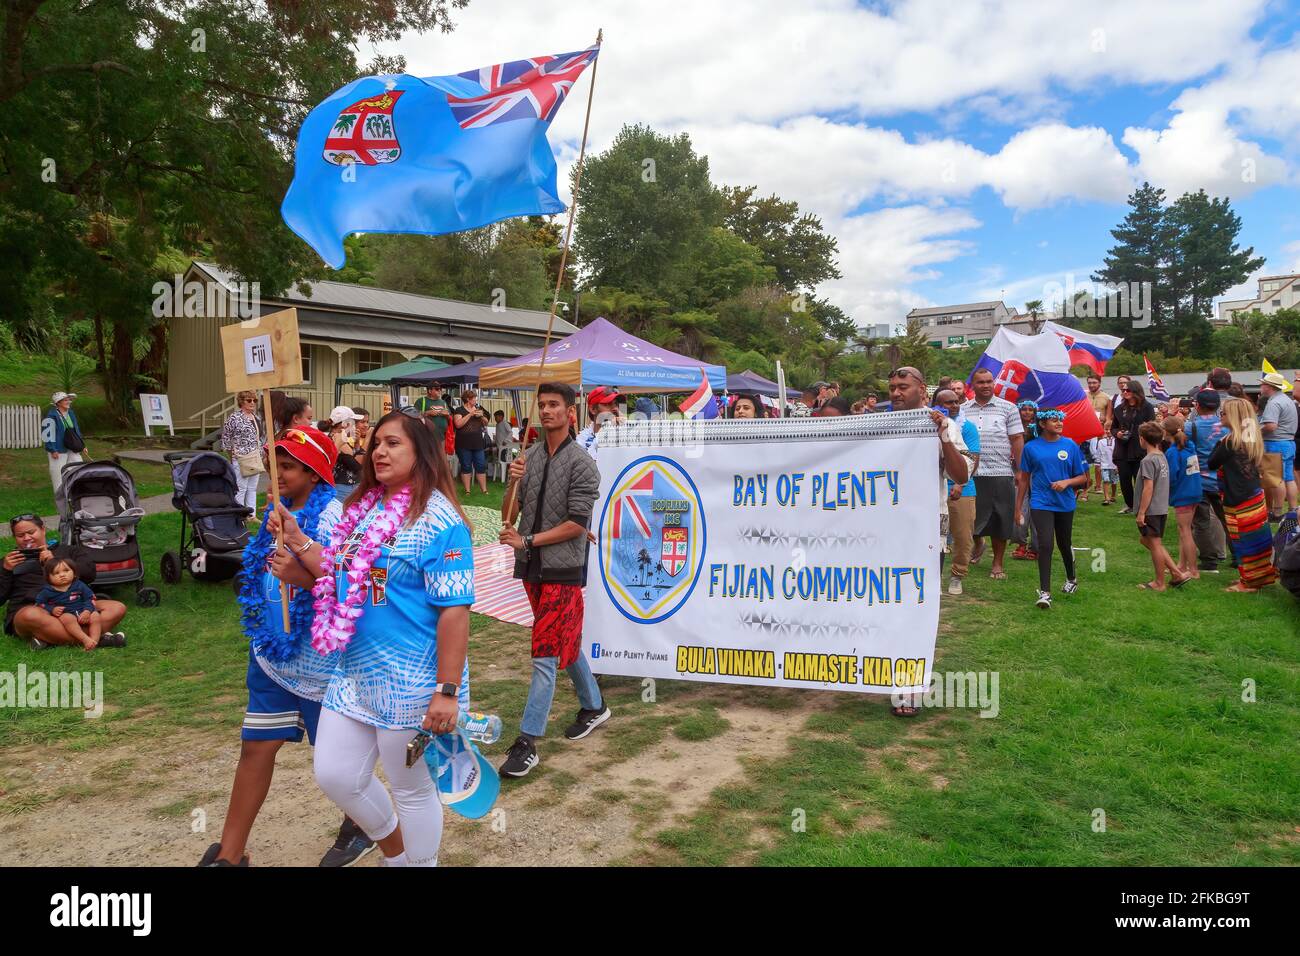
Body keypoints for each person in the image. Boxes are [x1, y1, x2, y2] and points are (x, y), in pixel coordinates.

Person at [200, 426, 371, 868]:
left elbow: (353, 586)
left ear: (315, 475)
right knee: (256, 747)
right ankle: (231, 854)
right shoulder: (272, 514)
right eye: (276, 466)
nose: (279, 476)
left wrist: (306, 578)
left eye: (290, 467)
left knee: (334, 761)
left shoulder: (335, 517)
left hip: (322, 664)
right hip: (273, 657)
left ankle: (362, 826)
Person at [310, 410, 474, 867]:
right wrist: (300, 547)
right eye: (375, 442)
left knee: (411, 788)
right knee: (336, 775)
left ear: (420, 454)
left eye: (393, 443)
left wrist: (446, 691)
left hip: (411, 680)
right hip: (353, 673)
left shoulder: (441, 521)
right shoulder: (362, 509)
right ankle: (396, 853)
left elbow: (455, 612)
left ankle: (417, 865)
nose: (378, 451)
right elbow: (342, 574)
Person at [497, 382, 609, 775]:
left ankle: (527, 742)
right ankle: (594, 704)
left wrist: (527, 539)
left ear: (570, 412)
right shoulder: (527, 458)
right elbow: (506, 514)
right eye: (541, 404)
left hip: (562, 568)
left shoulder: (582, 463)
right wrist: (512, 481)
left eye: (554, 405)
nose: (546, 411)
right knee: (562, 638)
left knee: (544, 651)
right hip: (531, 566)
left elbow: (577, 524)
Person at [887, 367, 967, 716]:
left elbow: (961, 474)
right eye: (891, 387)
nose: (895, 393)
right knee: (886, 604)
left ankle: (910, 686)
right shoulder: (877, 425)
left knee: (917, 608)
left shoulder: (943, 425)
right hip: (882, 530)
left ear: (922, 389)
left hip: (926, 531)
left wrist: (943, 437)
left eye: (903, 386)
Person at [2, 514, 127, 649]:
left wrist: (55, 562)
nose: (27, 538)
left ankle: (50, 638)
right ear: (15, 538)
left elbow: (90, 574)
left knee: (117, 607)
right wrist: (6, 571)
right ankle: (97, 639)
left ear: (43, 529)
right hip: (36, 608)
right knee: (29, 615)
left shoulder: (67, 551)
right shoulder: (9, 561)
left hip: (75, 603)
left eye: (31, 532)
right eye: (20, 536)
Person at [1015, 408, 1088, 608]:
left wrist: (1066, 482)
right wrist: (1018, 507)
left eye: (1060, 420)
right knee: (1045, 544)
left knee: (1064, 543)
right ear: (1042, 424)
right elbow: (1024, 479)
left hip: (1064, 503)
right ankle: (1045, 593)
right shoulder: (1031, 448)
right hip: (1040, 502)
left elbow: (1082, 477)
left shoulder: (1070, 445)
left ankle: (1071, 579)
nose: (1059, 423)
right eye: (1054, 421)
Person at [1207, 398, 1277, 592]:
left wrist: (1219, 442)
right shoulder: (1250, 438)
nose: (1221, 415)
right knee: (1257, 540)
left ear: (1234, 417)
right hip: (1253, 494)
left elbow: (1212, 462)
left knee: (1243, 540)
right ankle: (1256, 578)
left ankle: (1248, 583)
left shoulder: (1230, 442)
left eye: (1224, 412)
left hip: (1238, 498)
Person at [962, 369, 1025, 581]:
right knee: (970, 518)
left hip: (1000, 471)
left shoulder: (1008, 408)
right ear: (973, 385)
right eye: (981, 382)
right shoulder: (962, 410)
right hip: (970, 473)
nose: (986, 385)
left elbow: (1016, 439)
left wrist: (1020, 469)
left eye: (989, 381)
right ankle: (977, 544)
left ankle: (997, 562)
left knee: (1000, 519)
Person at [1134, 421, 1188, 591]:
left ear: (1142, 439)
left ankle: (1159, 582)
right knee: (1146, 540)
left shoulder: (1148, 461)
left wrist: (1141, 512)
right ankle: (1176, 573)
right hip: (1161, 507)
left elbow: (1148, 487)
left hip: (1151, 509)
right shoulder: (1162, 456)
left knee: (1155, 544)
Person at [935, 389, 979, 596]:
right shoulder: (928, 424)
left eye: (955, 402)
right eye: (946, 403)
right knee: (939, 537)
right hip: (938, 489)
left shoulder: (967, 427)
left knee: (962, 537)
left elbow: (972, 458)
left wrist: (959, 485)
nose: (952, 406)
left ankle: (957, 575)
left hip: (963, 488)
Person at [1186, 390, 1229, 572]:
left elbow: (1187, 450)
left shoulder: (1191, 426)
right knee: (1228, 520)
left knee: (1201, 522)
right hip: (1222, 479)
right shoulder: (1227, 426)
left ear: (1197, 406)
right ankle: (1239, 556)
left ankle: (1209, 560)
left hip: (1200, 480)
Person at [1163, 415, 1202, 580]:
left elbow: (1171, 476)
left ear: (1166, 432)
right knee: (1183, 530)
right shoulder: (1189, 446)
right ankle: (1182, 564)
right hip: (1194, 490)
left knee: (1185, 531)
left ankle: (1193, 570)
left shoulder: (1173, 452)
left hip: (1183, 494)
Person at [33, 557, 102, 650]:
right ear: (48, 577)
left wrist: (87, 611)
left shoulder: (79, 585)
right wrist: (51, 609)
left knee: (95, 616)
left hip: (83, 609)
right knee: (67, 619)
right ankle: (85, 639)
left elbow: (90, 598)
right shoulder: (47, 591)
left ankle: (94, 641)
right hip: (66, 613)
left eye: (66, 571)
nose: (62, 575)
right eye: (56, 573)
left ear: (74, 573)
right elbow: (39, 603)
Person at [1258, 371, 1298, 519]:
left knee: (1276, 479)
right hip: (1288, 442)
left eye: (1262, 384)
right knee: (1288, 478)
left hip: (1275, 444)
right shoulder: (1287, 400)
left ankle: (1277, 512)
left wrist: (1256, 433)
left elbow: (1271, 426)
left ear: (1269, 386)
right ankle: (1293, 509)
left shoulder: (1274, 402)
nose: (1260, 387)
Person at [1113, 379, 1155, 514]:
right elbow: (1113, 427)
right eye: (1123, 390)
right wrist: (1117, 433)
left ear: (1136, 391)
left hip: (1139, 447)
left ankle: (1142, 506)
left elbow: (1152, 425)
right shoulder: (1119, 409)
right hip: (1122, 448)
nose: (1125, 392)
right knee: (1124, 479)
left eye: (1128, 390)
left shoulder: (1146, 407)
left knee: (1139, 479)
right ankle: (1130, 504)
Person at [220, 390, 264, 513]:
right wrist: (231, 454)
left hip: (255, 457)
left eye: (254, 400)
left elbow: (260, 438)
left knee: (252, 488)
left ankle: (251, 514)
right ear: (241, 402)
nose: (252, 403)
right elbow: (226, 437)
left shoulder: (257, 418)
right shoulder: (234, 417)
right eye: (248, 400)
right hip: (241, 458)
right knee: (241, 487)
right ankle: (238, 514)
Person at [43, 391, 86, 511]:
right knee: (58, 474)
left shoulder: (71, 413)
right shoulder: (51, 416)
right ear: (58, 403)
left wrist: (81, 445)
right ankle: (60, 502)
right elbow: (47, 434)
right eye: (66, 400)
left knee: (78, 469)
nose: (69, 402)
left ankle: (76, 496)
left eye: (69, 400)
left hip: (72, 447)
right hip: (58, 449)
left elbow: (75, 430)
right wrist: (52, 449)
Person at [452, 390, 491, 495]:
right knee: (466, 466)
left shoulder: (479, 408)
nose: (476, 399)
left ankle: (484, 490)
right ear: (468, 399)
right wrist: (470, 414)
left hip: (478, 443)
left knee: (481, 465)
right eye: (474, 398)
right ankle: (467, 491)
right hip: (463, 444)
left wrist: (481, 416)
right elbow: (458, 424)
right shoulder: (459, 410)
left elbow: (486, 423)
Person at [576, 386, 621, 459]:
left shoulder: (625, 438)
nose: (615, 408)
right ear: (593, 409)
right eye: (608, 404)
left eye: (615, 404)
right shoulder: (581, 441)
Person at [414, 384, 452, 449]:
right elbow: (414, 416)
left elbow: (450, 420)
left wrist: (447, 415)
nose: (440, 391)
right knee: (428, 457)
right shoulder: (421, 401)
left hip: (441, 438)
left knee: (441, 458)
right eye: (437, 389)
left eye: (440, 389)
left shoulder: (443, 402)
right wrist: (427, 413)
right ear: (430, 391)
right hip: (426, 438)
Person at [1094, 424, 1118, 506]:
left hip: (1114, 465)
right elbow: (1099, 453)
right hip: (1104, 465)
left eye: (1110, 429)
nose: (1108, 431)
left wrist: (1118, 465)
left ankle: (1113, 496)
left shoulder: (1117, 441)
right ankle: (1106, 498)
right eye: (1106, 429)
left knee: (1114, 482)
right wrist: (1098, 464)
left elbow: (1119, 454)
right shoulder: (1101, 442)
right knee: (1106, 480)